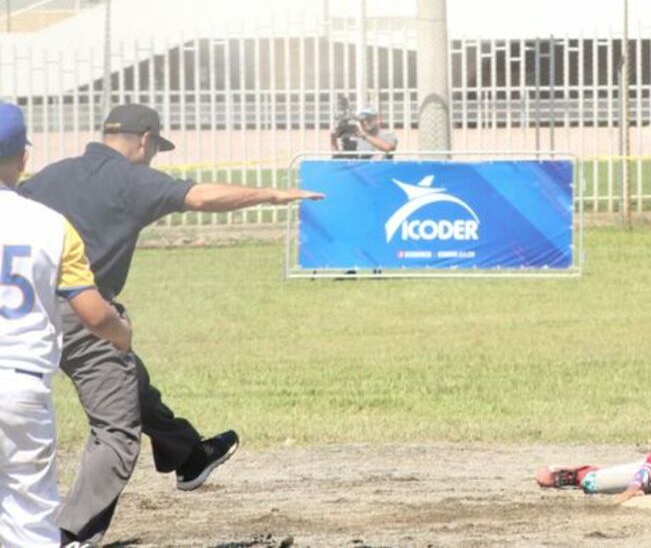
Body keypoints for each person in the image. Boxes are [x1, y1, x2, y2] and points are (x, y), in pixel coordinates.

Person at [19, 103, 326, 545]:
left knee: (129, 379)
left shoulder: (51, 175)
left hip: (26, 309)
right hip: (84, 313)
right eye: (154, 147)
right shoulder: (132, 178)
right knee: (116, 433)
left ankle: (188, 454)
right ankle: (67, 536)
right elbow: (202, 197)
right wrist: (272, 195)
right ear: (144, 141)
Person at [0, 102, 132, 547]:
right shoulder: (50, 225)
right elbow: (93, 313)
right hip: (20, 385)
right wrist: (121, 334)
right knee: (29, 514)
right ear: (23, 159)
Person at [330, 107, 397, 160]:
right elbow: (339, 159)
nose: (365, 122)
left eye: (368, 119)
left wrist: (364, 136)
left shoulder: (387, 134)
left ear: (376, 119)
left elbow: (388, 148)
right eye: (362, 120)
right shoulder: (355, 138)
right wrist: (333, 140)